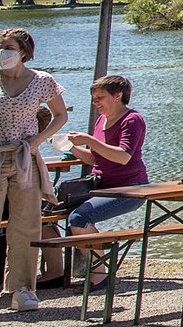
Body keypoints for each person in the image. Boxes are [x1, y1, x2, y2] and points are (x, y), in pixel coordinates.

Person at [0, 27, 67, 311]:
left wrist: (37, 142)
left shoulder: (42, 80)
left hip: (25, 159)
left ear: (24, 52)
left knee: (26, 226)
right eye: (0, 46)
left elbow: (60, 115)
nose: (3, 52)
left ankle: (22, 289)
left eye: (8, 47)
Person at [61, 74, 151, 288]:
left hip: (131, 189)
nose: (95, 103)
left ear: (118, 95)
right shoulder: (101, 120)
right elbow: (96, 159)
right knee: (53, 211)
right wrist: (71, 148)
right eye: (94, 98)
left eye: (100, 97)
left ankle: (99, 274)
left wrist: (89, 140)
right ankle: (61, 274)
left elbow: (123, 156)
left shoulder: (132, 120)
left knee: (79, 219)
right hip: (102, 186)